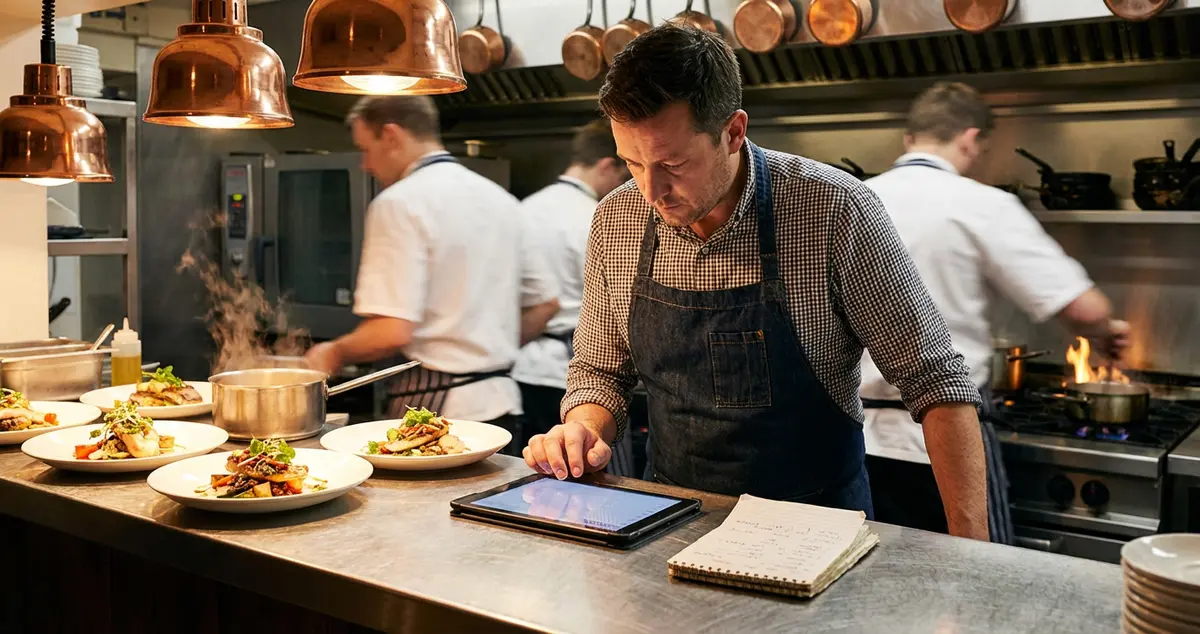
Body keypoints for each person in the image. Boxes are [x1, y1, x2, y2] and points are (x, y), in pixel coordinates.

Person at [523, 24, 991, 541]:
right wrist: (581, 431)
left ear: (733, 132)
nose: (652, 190)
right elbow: (600, 372)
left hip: (816, 531)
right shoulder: (617, 219)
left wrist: (972, 552)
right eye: (632, 162)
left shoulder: (831, 209)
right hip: (673, 524)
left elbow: (936, 382)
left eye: (672, 163)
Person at [859, 81, 1130, 544]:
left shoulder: (854, 199)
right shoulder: (980, 203)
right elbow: (1083, 309)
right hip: (946, 446)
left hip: (854, 446)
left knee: (871, 596)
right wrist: (1108, 331)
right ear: (970, 139)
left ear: (910, 140)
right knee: (973, 594)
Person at [305, 96, 560, 450]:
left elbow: (392, 331)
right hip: (501, 409)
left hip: (436, 418)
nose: (364, 164)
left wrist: (331, 353)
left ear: (391, 135)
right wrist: (485, 347)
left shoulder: (399, 203)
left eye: (365, 148)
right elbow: (546, 304)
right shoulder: (501, 199)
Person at [512, 120, 629, 448]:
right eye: (623, 175)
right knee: (587, 470)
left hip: (525, 367)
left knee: (539, 473)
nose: (623, 186)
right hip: (582, 378)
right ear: (607, 165)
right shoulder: (599, 216)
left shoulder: (524, 208)